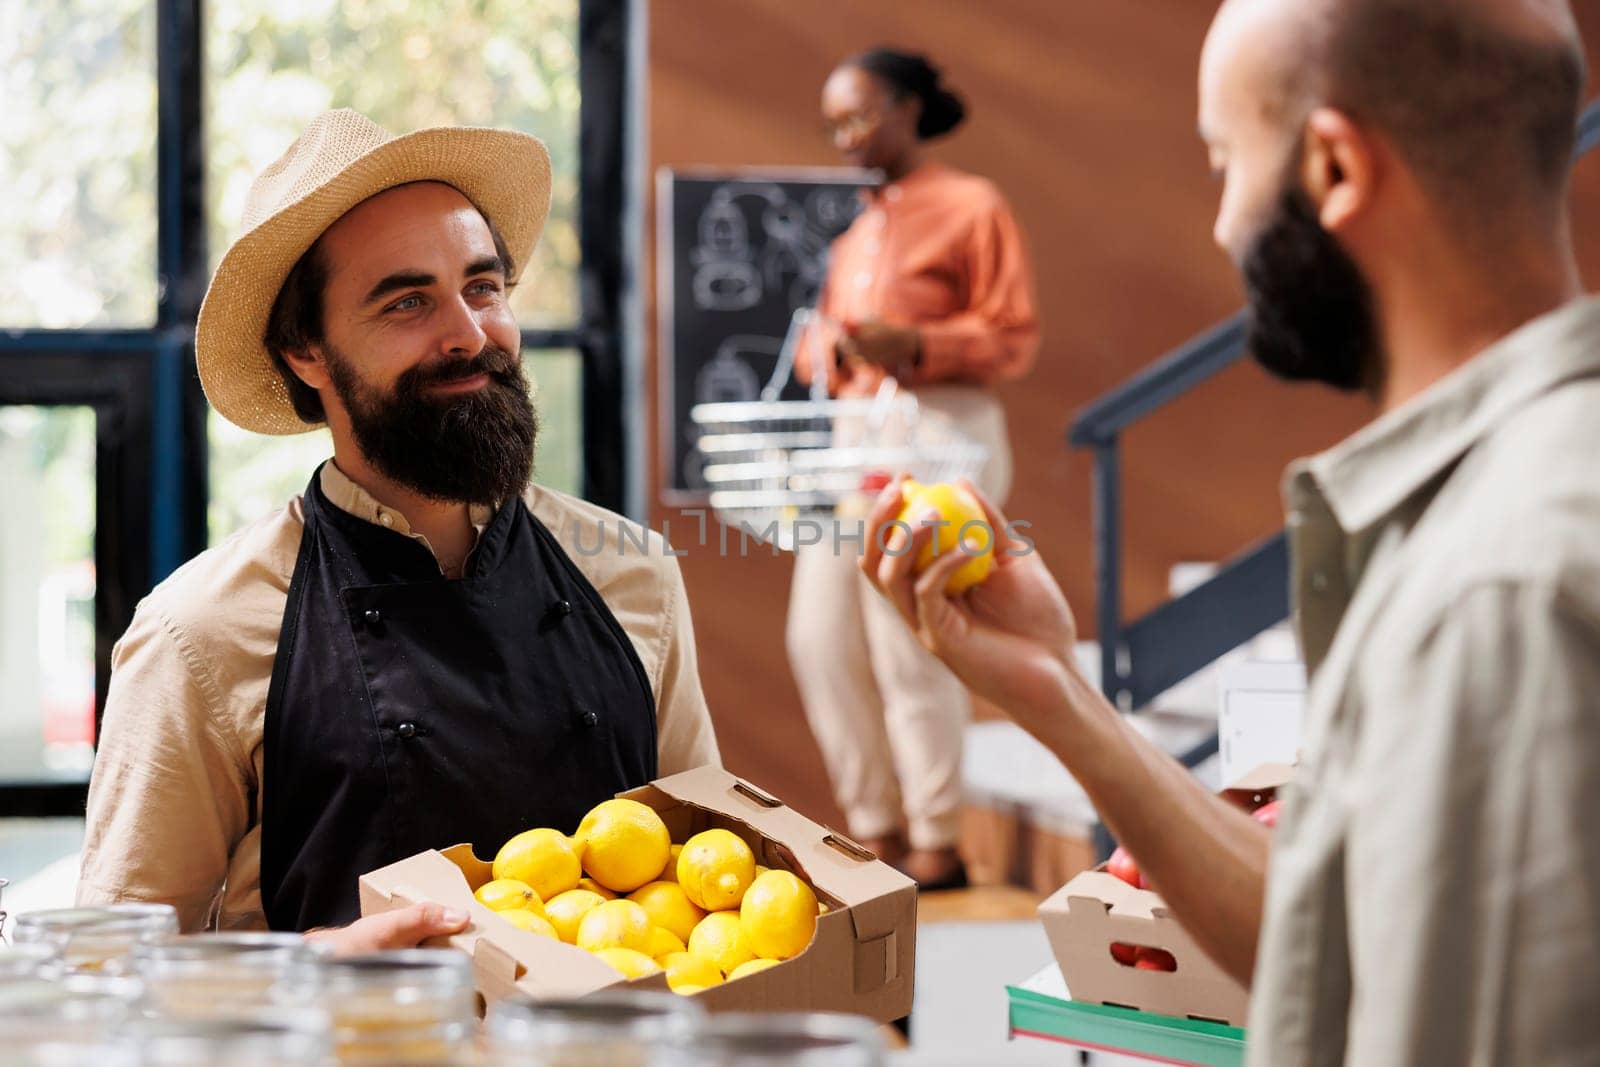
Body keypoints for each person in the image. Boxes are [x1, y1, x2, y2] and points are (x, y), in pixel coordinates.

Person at [862, 0, 1600, 1061]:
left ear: (1333, 170)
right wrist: (1059, 696)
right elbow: (1337, 942)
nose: (1220, 224)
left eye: (1225, 162)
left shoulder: (1501, 587)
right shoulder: (1492, 505)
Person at [77, 110, 720, 951]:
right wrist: (302, 975)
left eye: (483, 287)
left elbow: (711, 878)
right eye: (408, 301)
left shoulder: (633, 574)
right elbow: (106, 972)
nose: (470, 333)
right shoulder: (197, 635)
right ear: (304, 351)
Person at [787, 48, 1040, 888]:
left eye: (858, 116)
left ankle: (937, 835)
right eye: (833, 125)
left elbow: (1012, 334)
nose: (845, 136)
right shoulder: (856, 232)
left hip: (942, 428)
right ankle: (876, 827)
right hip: (858, 436)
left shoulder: (972, 206)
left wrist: (920, 343)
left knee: (908, 633)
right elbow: (827, 352)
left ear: (905, 108)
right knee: (818, 636)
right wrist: (824, 347)